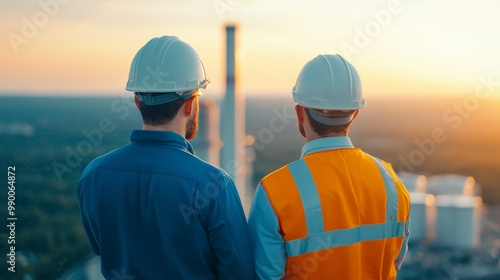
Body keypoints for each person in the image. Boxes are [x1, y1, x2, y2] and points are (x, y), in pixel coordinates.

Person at [78, 36, 253, 279]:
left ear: (137, 101)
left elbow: (101, 248)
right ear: (191, 105)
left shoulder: (94, 175)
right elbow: (240, 273)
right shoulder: (213, 185)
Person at [248, 54, 410, 279]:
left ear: (299, 113)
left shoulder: (274, 193)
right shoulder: (391, 182)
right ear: (355, 114)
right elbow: (396, 259)